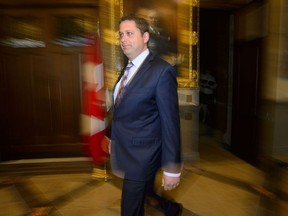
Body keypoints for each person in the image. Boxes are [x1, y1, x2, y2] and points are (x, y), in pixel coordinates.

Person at [108, 14, 183, 216]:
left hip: (143, 156)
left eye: (129, 33)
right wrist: (112, 138)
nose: (123, 39)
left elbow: (170, 123)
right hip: (127, 150)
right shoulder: (127, 69)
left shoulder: (162, 71)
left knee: (129, 210)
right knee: (146, 191)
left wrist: (171, 167)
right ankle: (171, 208)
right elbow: (122, 111)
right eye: (121, 34)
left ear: (145, 37)